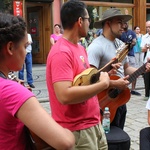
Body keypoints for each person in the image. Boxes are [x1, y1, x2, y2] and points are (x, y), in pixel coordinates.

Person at [46, 1, 126, 149]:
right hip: (77, 130)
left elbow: (85, 81)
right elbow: (64, 95)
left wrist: (105, 72)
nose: (90, 23)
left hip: (93, 124)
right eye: (88, 19)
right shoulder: (61, 52)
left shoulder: (80, 48)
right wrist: (104, 84)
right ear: (80, 21)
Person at [0, 12, 75, 150]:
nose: (26, 52)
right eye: (24, 46)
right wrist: (68, 132)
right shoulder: (12, 91)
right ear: (10, 48)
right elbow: (65, 142)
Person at [88, 8, 150, 129]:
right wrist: (114, 83)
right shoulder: (96, 46)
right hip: (103, 102)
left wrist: (143, 69)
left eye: (124, 23)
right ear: (108, 23)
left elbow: (126, 69)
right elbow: (90, 79)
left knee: (119, 138)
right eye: (119, 22)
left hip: (119, 100)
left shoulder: (120, 45)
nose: (124, 26)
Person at [120, 22, 141, 96]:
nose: (125, 25)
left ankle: (133, 89)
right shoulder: (120, 33)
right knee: (123, 72)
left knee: (134, 72)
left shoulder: (131, 32)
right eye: (124, 23)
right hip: (122, 55)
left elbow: (134, 41)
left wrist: (127, 47)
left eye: (126, 23)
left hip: (131, 55)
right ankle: (124, 88)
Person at [141, 21, 150, 101]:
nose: (148, 29)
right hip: (147, 59)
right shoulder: (144, 37)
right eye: (147, 27)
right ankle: (147, 94)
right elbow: (142, 49)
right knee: (146, 77)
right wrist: (145, 48)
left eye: (149, 27)